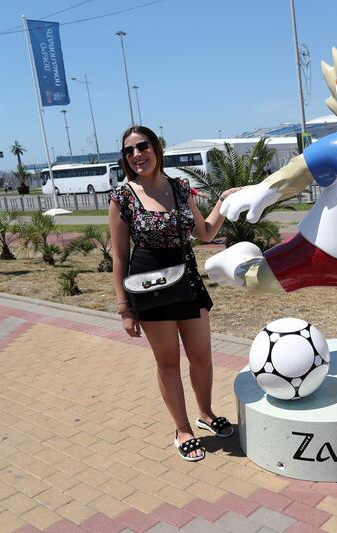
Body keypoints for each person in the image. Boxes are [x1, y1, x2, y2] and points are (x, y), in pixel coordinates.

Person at [109, 125, 240, 462]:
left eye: (143, 146)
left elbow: (206, 232)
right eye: (129, 150)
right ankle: (183, 429)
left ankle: (206, 414)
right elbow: (120, 255)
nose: (137, 155)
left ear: (156, 148)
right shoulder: (123, 197)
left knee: (201, 356)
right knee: (168, 363)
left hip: (188, 282)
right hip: (150, 288)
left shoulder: (180, 188)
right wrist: (125, 308)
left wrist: (224, 202)